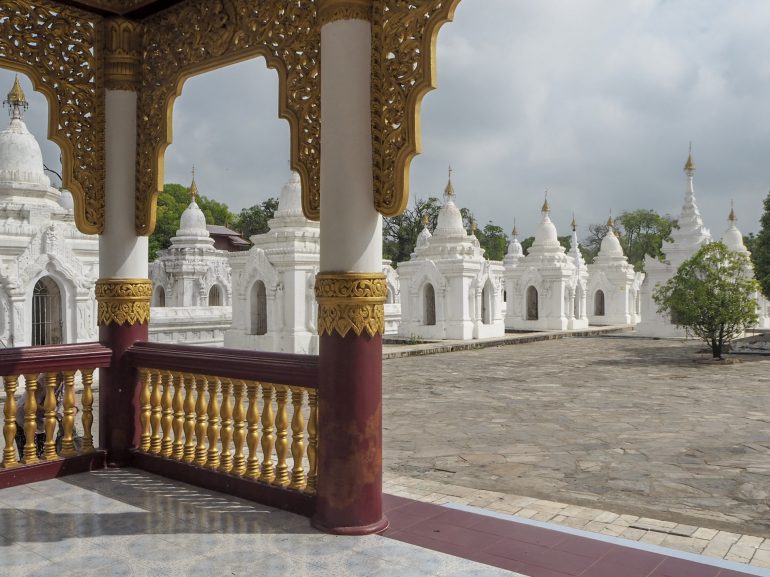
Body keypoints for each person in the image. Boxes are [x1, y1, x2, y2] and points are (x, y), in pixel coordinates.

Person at [14, 372, 69, 458]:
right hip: (24, 418)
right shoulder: (42, 380)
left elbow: (70, 401)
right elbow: (33, 403)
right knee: (29, 455)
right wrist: (52, 412)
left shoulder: (65, 381)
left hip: (42, 422)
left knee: (43, 453)